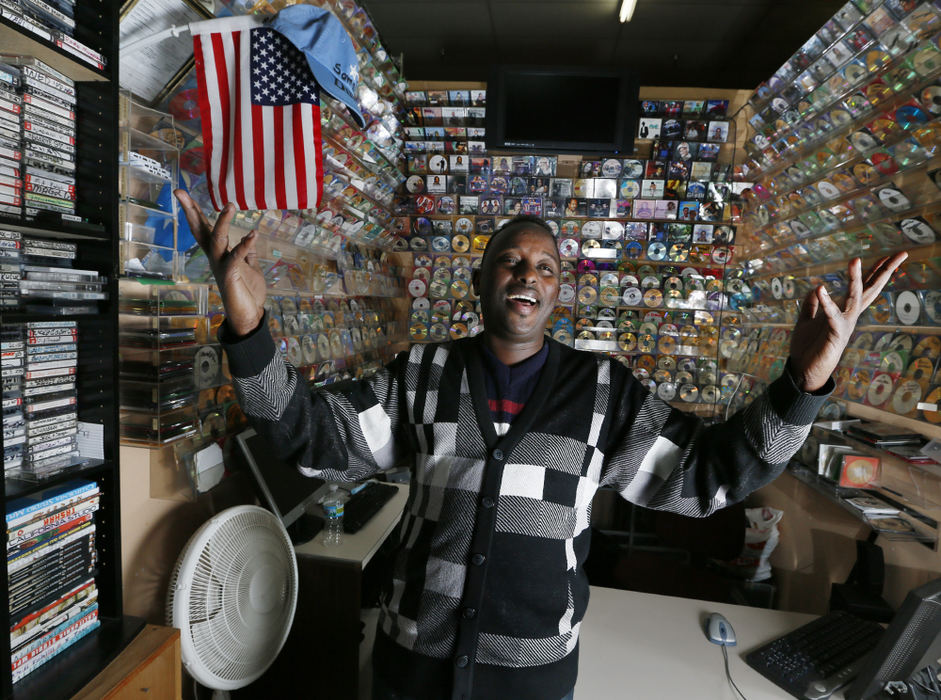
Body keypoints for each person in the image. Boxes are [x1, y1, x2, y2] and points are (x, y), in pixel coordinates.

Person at [175, 190, 905, 700]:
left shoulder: (603, 393)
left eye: (545, 268)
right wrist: (249, 333)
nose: (527, 274)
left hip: (533, 681)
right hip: (411, 670)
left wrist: (802, 384)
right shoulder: (424, 373)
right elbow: (312, 436)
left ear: (559, 295)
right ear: (479, 280)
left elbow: (707, 477)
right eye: (510, 261)